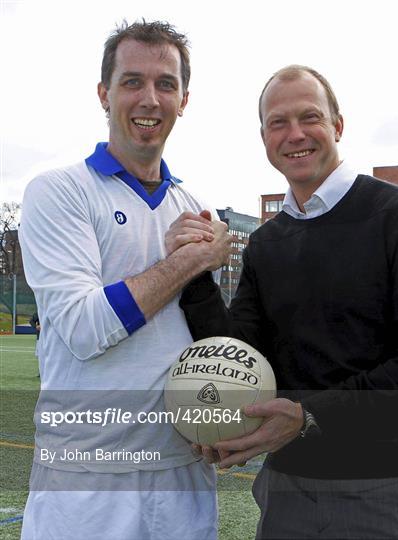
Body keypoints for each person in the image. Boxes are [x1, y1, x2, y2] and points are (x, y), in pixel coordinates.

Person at [168, 65, 398, 539]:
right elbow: (239, 354)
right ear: (263, 136)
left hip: (389, 489)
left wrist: (309, 416)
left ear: (337, 126)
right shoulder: (267, 243)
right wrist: (194, 273)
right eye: (278, 122)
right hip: (288, 491)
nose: (295, 134)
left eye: (310, 118)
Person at [19, 20, 230, 540]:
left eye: (166, 84)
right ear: (103, 93)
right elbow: (84, 330)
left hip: (183, 478)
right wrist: (187, 262)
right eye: (132, 81)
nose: (149, 99)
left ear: (184, 100)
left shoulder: (193, 208)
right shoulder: (59, 191)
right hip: (88, 481)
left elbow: (205, 343)